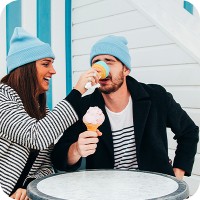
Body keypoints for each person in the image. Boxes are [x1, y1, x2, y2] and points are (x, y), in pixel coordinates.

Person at [51, 35, 199, 180]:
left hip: (155, 189)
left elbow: (189, 132)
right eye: (96, 62)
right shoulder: (85, 107)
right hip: (106, 191)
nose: (101, 68)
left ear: (126, 69)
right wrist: (76, 149)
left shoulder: (156, 97)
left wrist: (177, 174)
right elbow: (58, 157)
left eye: (109, 61)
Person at [0, 27, 99, 199]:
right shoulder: (2, 98)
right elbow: (35, 135)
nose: (53, 70)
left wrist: (28, 185)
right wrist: (78, 91)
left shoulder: (42, 111)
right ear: (25, 68)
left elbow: (46, 165)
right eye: (46, 64)